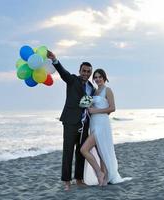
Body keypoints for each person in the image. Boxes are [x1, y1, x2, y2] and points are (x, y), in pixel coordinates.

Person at [47, 50, 95, 190]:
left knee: (81, 152)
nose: (86, 73)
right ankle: (67, 182)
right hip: (70, 122)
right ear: (80, 71)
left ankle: (79, 179)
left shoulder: (91, 87)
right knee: (68, 152)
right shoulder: (72, 79)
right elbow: (63, 73)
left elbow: (89, 103)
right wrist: (55, 60)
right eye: (84, 71)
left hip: (84, 123)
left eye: (88, 72)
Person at [80, 69, 131, 186]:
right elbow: (90, 107)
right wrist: (88, 108)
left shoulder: (107, 90)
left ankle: (100, 173)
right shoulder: (94, 92)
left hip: (102, 124)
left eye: (100, 77)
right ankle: (103, 179)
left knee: (84, 149)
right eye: (96, 77)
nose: (98, 79)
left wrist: (95, 111)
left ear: (104, 77)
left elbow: (112, 108)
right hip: (94, 123)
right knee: (100, 152)